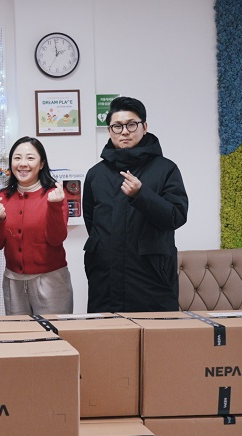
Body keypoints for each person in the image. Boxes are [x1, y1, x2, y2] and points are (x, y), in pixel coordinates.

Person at [83, 96, 188, 312]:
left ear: (144, 127)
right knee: (107, 332)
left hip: (151, 280)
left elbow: (176, 216)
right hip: (105, 282)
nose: (124, 132)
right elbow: (91, 222)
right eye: (117, 126)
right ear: (109, 130)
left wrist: (141, 195)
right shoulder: (96, 174)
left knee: (156, 333)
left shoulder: (166, 169)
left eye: (131, 124)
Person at [0, 136, 73, 315]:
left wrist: (55, 207)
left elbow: (56, 239)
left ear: (41, 164)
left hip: (51, 280)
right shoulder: (1, 198)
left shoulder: (54, 196)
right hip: (13, 281)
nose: (23, 163)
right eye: (17, 158)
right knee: (19, 332)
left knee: (53, 331)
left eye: (30, 158)